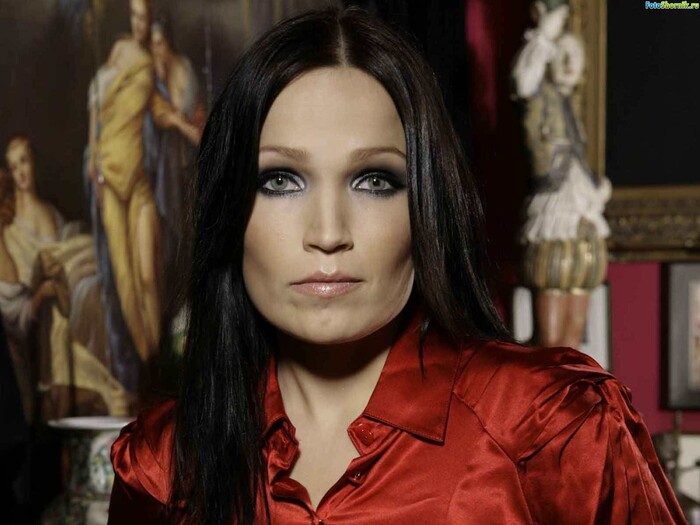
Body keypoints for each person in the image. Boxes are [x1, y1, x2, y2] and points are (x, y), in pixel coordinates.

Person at [108, 6, 683, 525]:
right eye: (280, 180)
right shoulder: (161, 464)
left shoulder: (555, 429)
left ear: (426, 209)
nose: (328, 234)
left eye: (373, 181)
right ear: (229, 211)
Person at [512, 0, 612, 349]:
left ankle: (568, 380)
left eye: (576, 56)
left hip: (578, 208)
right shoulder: (539, 97)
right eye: (562, 54)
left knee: (572, 339)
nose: (570, 63)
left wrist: (596, 191)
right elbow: (524, 80)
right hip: (553, 204)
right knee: (550, 341)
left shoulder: (572, 110)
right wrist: (544, 34)